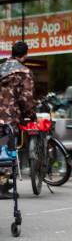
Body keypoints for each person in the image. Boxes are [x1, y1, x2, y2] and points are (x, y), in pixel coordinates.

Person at [0, 41, 36, 199]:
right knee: (7, 149)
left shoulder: (1, 68)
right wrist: (31, 114)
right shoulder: (24, 72)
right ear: (25, 54)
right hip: (9, 116)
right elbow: (26, 98)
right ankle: (3, 187)